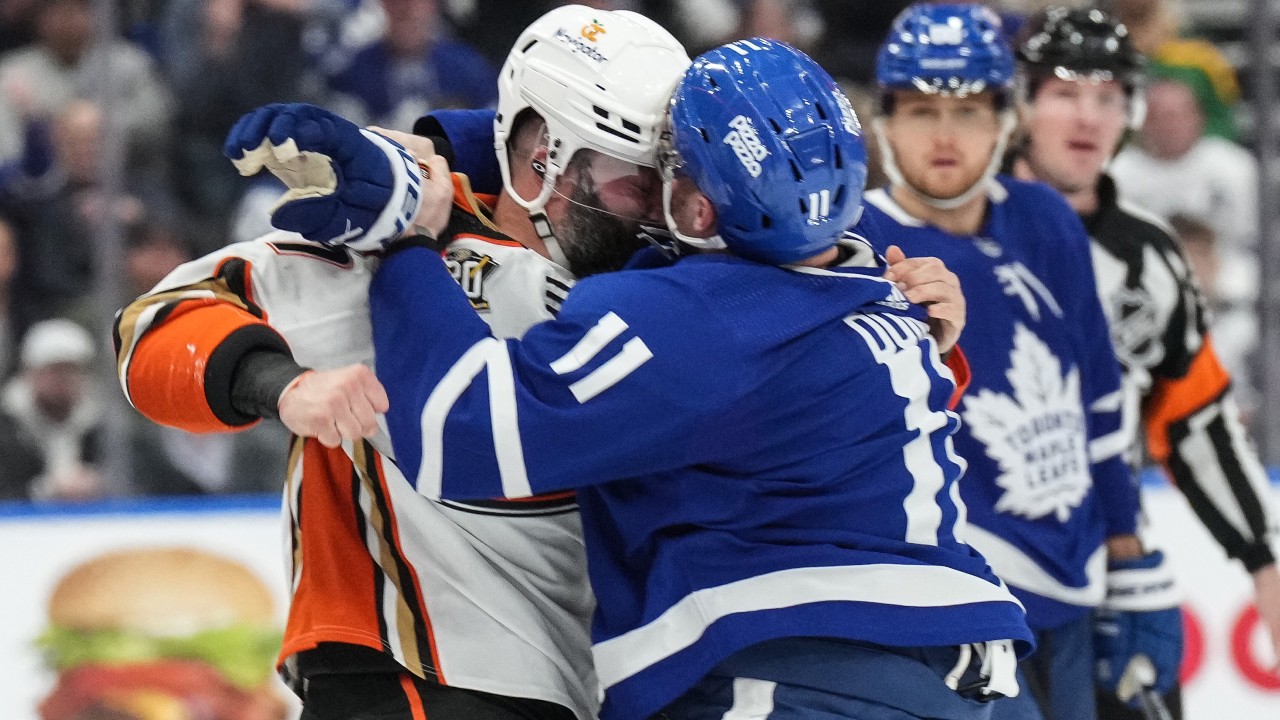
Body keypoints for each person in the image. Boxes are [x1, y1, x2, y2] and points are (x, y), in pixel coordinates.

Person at [359, 37, 1032, 720]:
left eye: (667, 169)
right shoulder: (876, 283)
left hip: (798, 669)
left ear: (701, 210)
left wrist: (410, 242)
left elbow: (457, 431)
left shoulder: (694, 317)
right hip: (951, 667)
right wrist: (464, 142)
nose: (652, 195)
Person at [113, 6, 691, 719]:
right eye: (635, 179)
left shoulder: (671, 293)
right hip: (410, 674)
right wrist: (282, 387)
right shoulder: (389, 241)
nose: (658, 209)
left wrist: (434, 147)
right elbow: (153, 329)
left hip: (570, 691)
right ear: (546, 153)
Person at [863, 5, 1153, 719]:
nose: (943, 136)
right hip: (959, 587)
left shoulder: (1045, 216)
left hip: (1075, 572)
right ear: (885, 121)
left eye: (967, 111)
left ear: (1004, 120)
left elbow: (1099, 394)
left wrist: (1129, 552)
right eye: (921, 111)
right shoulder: (857, 241)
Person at [1010, 7, 1280, 715]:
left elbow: (1195, 419)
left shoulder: (1148, 255)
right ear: (1022, 102)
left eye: (1108, 96)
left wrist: (1264, 559)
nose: (1087, 116)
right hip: (984, 580)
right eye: (1065, 93)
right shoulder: (958, 231)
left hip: (1114, 574)